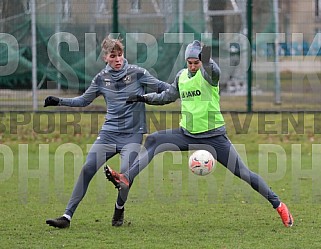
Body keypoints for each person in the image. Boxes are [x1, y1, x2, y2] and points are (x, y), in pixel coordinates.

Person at [105, 40, 294, 227]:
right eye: (190, 63)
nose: (194, 66)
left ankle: (279, 205)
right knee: (154, 139)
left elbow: (215, 71)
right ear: (186, 62)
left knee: (243, 173)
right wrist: (143, 98)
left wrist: (208, 58)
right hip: (187, 135)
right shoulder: (182, 77)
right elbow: (166, 97)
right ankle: (126, 178)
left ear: (202, 61)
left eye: (197, 62)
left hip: (214, 138)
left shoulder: (208, 75)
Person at [44, 35, 170, 228]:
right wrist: (59, 101)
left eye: (120, 55)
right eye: (113, 56)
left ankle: (119, 209)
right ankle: (66, 217)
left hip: (132, 135)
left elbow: (163, 88)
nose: (118, 59)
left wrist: (180, 91)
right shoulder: (101, 78)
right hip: (109, 134)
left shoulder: (137, 72)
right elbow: (84, 100)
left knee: (126, 177)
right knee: (87, 169)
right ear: (105, 58)